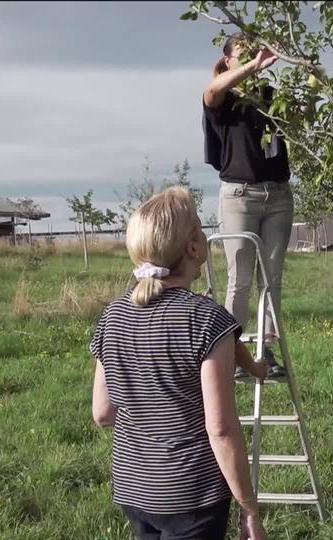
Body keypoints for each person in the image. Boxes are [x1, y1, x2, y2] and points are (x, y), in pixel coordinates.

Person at [90, 187, 267, 540]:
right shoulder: (207, 320)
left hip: (133, 489)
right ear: (193, 247)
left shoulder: (113, 316)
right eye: (200, 228)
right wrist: (249, 509)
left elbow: (103, 413)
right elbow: (220, 429)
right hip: (191, 496)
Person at [203, 31, 293, 379]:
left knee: (272, 278)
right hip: (239, 196)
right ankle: (233, 354)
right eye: (244, 54)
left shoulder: (270, 97)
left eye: (256, 54)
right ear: (228, 60)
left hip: (279, 195)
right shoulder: (222, 100)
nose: (254, 59)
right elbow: (211, 92)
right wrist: (252, 66)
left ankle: (264, 351)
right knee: (239, 277)